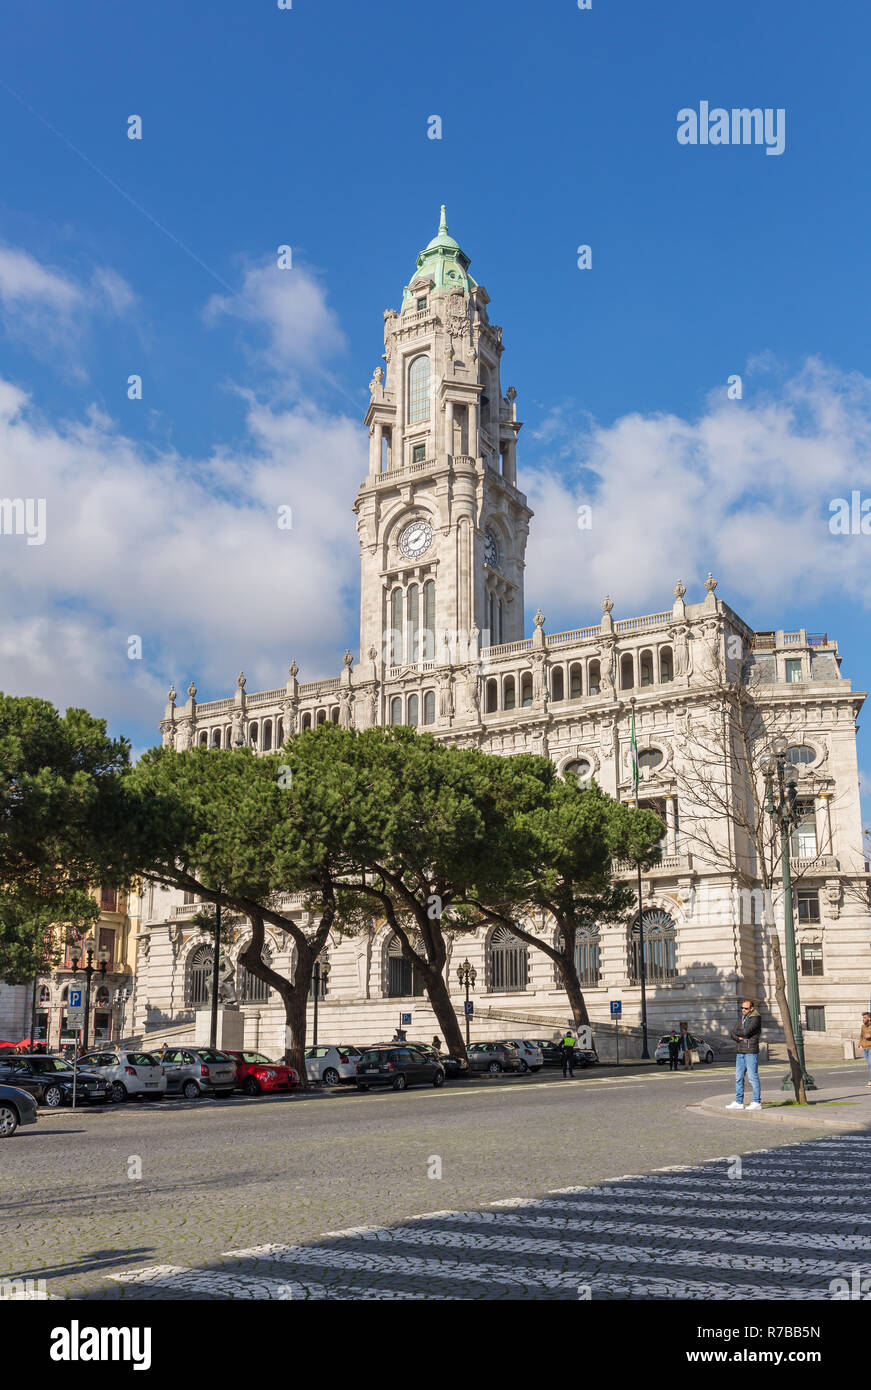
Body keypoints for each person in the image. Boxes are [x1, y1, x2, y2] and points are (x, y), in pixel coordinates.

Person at [726, 998, 763, 1110]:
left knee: (752, 1077)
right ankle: (739, 1102)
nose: (743, 1010)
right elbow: (732, 1033)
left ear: (752, 1008)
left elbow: (747, 1032)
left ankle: (756, 1102)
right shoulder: (741, 1018)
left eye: (746, 1008)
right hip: (740, 1051)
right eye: (742, 1008)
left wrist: (738, 1033)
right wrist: (739, 1037)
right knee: (738, 1077)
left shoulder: (756, 1018)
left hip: (750, 1051)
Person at [858, 1011, 871, 1087]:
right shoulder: (863, 1026)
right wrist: (860, 1045)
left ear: (869, 1018)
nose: (863, 1019)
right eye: (863, 1017)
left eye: (865, 1017)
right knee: (869, 1065)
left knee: (870, 1064)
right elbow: (861, 1036)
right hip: (865, 1048)